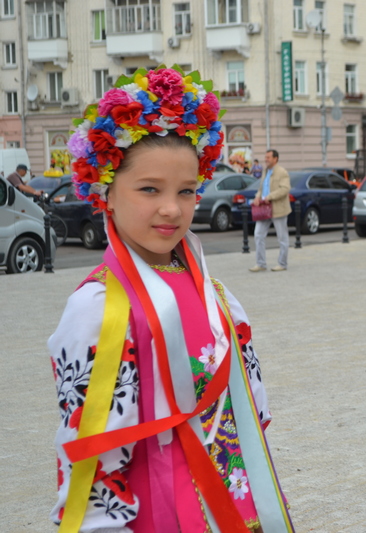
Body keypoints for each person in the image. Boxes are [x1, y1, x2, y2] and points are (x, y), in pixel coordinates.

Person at [49, 66, 294, 533]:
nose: (172, 208)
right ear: (107, 194)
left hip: (238, 501)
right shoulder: (99, 310)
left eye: (186, 191)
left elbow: (251, 408)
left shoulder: (214, 292)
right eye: (149, 189)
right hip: (159, 511)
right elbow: (90, 458)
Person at [249, 149, 290, 272]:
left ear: (275, 159)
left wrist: (270, 197)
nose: (266, 159)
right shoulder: (265, 171)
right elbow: (261, 188)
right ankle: (261, 264)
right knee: (258, 235)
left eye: (268, 157)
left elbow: (285, 189)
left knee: (282, 238)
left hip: (278, 208)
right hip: (264, 209)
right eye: (265, 157)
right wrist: (257, 197)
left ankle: (282, 264)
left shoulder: (282, 172)